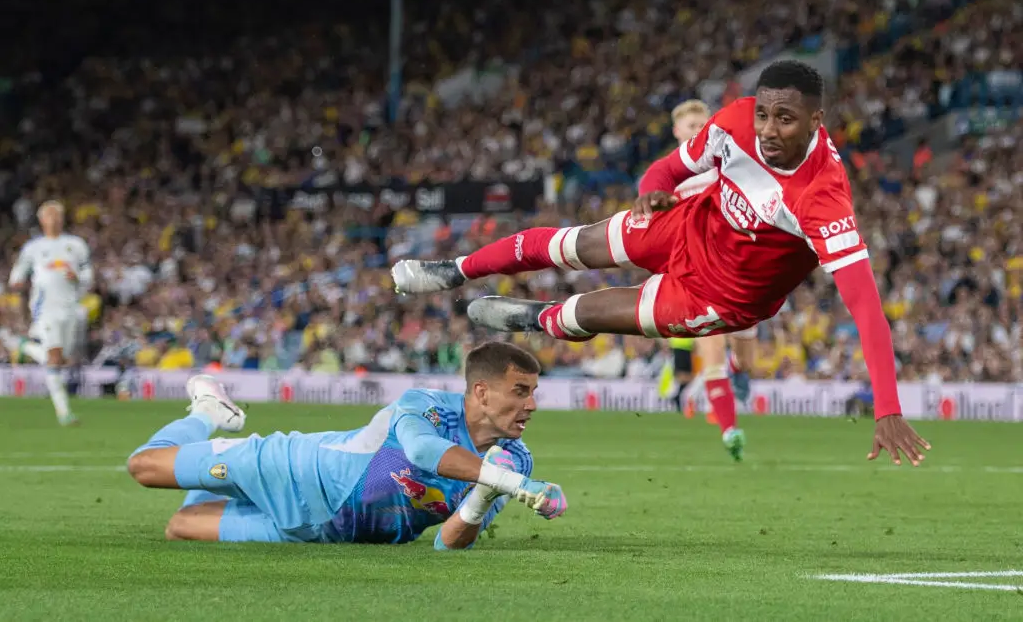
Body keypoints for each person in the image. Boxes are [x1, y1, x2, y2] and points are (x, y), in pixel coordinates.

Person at [391, 60, 930, 466]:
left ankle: (533, 317)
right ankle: (453, 270)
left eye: (785, 120)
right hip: (689, 223)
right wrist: (651, 192)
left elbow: (865, 307)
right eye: (764, 113)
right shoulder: (735, 123)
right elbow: (667, 169)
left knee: (593, 313)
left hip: (722, 294)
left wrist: (887, 406)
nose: (768, 129)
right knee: (571, 243)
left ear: (817, 120)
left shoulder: (823, 198)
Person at [126, 341, 567, 547]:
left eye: (532, 391)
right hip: (294, 471)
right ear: (483, 393)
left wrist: (484, 494)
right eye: (521, 391)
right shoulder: (426, 406)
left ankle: (214, 470)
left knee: (180, 526)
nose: (532, 404)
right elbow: (421, 453)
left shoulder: (514, 461)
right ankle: (209, 412)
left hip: (321, 533)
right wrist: (504, 481)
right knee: (144, 468)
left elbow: (447, 544)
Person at [662, 99, 756, 460]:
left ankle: (710, 386)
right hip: (700, 276)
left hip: (742, 272)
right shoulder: (670, 177)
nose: (699, 131)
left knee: (746, 360)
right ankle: (731, 431)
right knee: (713, 352)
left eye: (704, 125)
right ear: (677, 132)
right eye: (691, 127)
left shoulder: (728, 165)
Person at [4, 201, 93, 426]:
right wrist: (21, 283)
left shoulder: (76, 245)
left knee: (62, 359)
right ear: (42, 220)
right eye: (49, 215)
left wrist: (79, 278)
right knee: (54, 357)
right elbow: (16, 278)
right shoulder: (33, 248)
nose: (54, 219)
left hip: (71, 307)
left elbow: (88, 274)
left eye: (58, 215)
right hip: (46, 309)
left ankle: (23, 346)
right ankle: (64, 413)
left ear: (62, 219)